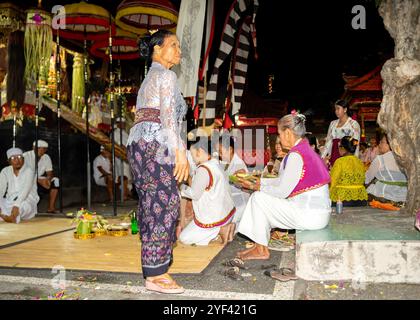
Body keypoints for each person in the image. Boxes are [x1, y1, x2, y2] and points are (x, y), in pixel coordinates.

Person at [126, 30, 189, 294]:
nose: (179, 50)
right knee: (165, 203)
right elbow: (166, 118)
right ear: (157, 50)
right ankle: (156, 273)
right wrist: (180, 152)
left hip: (139, 145)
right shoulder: (165, 75)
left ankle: (154, 269)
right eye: (173, 45)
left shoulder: (149, 78)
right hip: (155, 143)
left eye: (178, 46)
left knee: (153, 202)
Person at [235, 112, 331, 261]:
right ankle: (259, 245)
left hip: (310, 215)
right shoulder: (302, 151)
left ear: (287, 132)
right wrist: (258, 182)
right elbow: (281, 181)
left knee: (258, 198)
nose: (279, 138)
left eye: (279, 133)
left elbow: (282, 192)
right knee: (260, 197)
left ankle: (261, 248)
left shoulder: (296, 155)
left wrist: (257, 187)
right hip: (316, 213)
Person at [179, 139, 236, 246]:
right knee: (191, 227)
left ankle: (220, 231)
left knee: (184, 238)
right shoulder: (215, 163)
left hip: (215, 218)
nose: (191, 157)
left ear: (199, 151)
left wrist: (180, 188)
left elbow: (194, 194)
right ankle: (219, 231)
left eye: (192, 154)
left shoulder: (203, 169)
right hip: (228, 213)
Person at [365, 133, 407, 209]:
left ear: (391, 144)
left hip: (385, 196)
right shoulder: (405, 158)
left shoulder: (380, 159)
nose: (379, 145)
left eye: (382, 142)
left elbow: (367, 179)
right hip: (405, 197)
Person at [0, 148, 39, 223]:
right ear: (9, 161)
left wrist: (17, 205)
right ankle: (7, 216)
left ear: (23, 159)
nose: (17, 160)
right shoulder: (5, 171)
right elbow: (1, 190)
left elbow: (26, 191)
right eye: (13, 158)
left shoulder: (29, 171)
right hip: (9, 201)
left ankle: (6, 216)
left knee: (21, 208)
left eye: (19, 157)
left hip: (27, 201)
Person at [218, 135, 250, 226]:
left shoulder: (238, 165)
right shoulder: (227, 162)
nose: (219, 156)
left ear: (230, 150)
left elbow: (240, 187)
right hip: (231, 202)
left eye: (221, 152)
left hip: (239, 204)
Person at [329, 136, 368, 207]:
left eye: (339, 147)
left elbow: (333, 181)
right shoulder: (359, 161)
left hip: (343, 199)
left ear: (343, 148)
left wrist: (329, 195)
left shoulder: (339, 161)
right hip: (360, 198)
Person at [321, 100, 361, 167]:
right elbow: (328, 141)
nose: (336, 111)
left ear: (345, 109)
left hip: (346, 153)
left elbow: (356, 142)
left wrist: (354, 158)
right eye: (335, 109)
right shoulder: (333, 123)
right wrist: (322, 157)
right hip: (334, 152)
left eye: (338, 109)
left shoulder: (353, 124)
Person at [23, 140, 59, 213]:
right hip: (26, 179)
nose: (41, 150)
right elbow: (23, 173)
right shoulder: (25, 156)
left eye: (44, 149)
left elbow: (49, 172)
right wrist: (38, 180)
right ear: (33, 148)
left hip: (40, 178)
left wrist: (48, 179)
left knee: (56, 181)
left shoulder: (46, 157)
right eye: (39, 148)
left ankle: (51, 208)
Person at [113, 117, 133, 200]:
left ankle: (128, 193)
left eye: (124, 124)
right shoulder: (115, 133)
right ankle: (124, 195)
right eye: (121, 123)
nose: (123, 125)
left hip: (127, 156)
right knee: (123, 175)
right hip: (120, 156)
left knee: (128, 175)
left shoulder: (124, 133)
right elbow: (119, 145)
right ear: (117, 124)